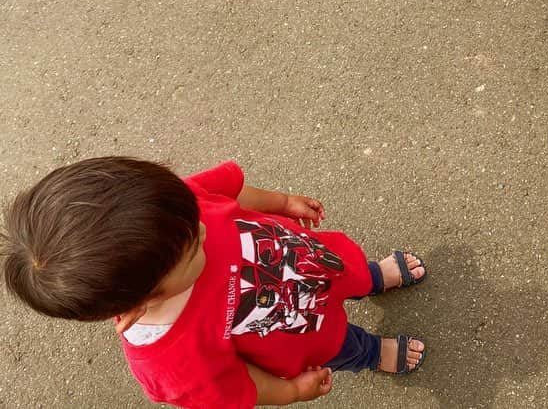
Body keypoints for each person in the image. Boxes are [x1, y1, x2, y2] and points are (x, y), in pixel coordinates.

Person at [0, 157, 427, 407]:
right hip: (301, 332)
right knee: (342, 345)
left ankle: (369, 278)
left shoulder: (166, 215)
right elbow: (239, 385)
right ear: (138, 304)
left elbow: (229, 191)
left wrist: (280, 202)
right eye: (193, 248)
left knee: (347, 270)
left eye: (191, 214)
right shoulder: (170, 359)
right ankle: (371, 352)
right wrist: (290, 390)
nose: (202, 228)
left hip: (313, 262)